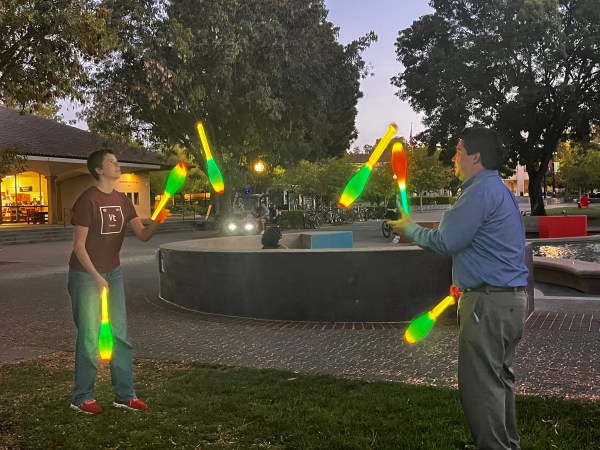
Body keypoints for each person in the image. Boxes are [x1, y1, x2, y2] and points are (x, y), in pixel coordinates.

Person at [388, 127, 529, 450]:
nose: (454, 157)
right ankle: (505, 445)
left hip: (488, 304)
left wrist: (408, 228)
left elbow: (447, 241)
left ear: (475, 156)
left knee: (481, 385)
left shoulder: (478, 193)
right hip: (508, 302)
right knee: (498, 380)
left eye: (458, 151)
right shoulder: (499, 190)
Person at [67, 149, 170, 414]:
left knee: (120, 336)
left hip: (114, 272)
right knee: (90, 336)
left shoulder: (124, 200)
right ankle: (82, 397)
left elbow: (143, 235)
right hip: (84, 274)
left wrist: (157, 222)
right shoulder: (87, 200)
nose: (117, 164)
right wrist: (95, 276)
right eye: (111, 162)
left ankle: (125, 395)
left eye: (117, 160)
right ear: (99, 170)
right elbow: (79, 246)